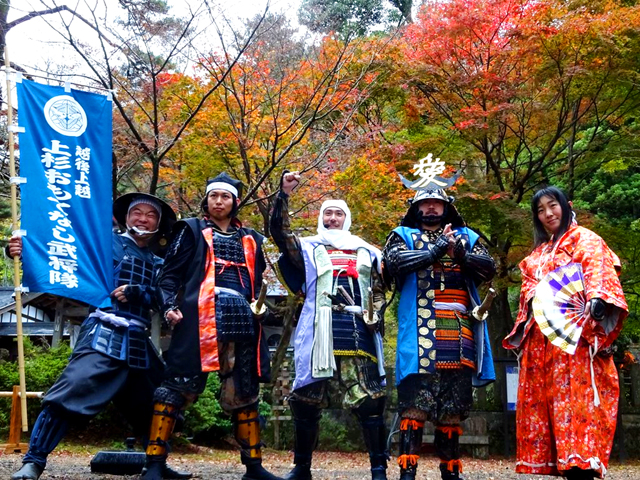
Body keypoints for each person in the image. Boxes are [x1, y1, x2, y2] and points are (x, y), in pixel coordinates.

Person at [11, 193, 188, 480]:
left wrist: (143, 294)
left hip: (138, 338)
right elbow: (61, 254)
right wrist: (25, 249)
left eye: (150, 215)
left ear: (158, 223)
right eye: (137, 212)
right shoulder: (103, 245)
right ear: (126, 217)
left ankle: (156, 464)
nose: (143, 219)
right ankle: (33, 461)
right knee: (69, 392)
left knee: (159, 401)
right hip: (103, 330)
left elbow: (166, 296)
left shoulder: (161, 263)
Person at [141, 173, 281, 480]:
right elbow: (168, 276)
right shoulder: (190, 230)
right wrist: (169, 306)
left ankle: (254, 467)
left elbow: (268, 276)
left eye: (225, 196)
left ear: (235, 202)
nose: (219, 201)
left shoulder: (252, 238)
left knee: (245, 391)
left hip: (242, 317)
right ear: (207, 200)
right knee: (176, 386)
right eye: (214, 196)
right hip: (199, 315)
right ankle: (154, 463)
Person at [503, 186, 628, 480]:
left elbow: (599, 273)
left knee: (579, 405)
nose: (548, 214)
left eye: (553, 205)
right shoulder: (537, 255)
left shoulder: (585, 239)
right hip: (543, 342)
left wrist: (596, 301)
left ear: (566, 205)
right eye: (541, 210)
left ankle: (580, 469)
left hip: (577, 340)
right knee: (548, 408)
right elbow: (529, 294)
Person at [270, 171, 388, 480]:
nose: (333, 218)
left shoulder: (369, 252)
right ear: (321, 218)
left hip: (357, 329)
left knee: (370, 399)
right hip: (317, 329)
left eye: (338, 214)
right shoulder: (307, 249)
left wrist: (376, 313)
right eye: (328, 213)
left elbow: (378, 290)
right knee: (306, 398)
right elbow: (280, 233)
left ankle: (378, 469)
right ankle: (301, 468)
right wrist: (284, 195)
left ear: (347, 219)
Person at [382, 170, 496, 480]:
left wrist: (460, 254)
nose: (431, 207)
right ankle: (407, 473)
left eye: (437, 202)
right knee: (414, 406)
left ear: (447, 206)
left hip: (459, 332)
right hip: (418, 334)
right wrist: (434, 251)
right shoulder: (401, 235)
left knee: (452, 408)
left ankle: (451, 473)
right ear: (415, 206)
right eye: (425, 202)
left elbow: (489, 268)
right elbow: (394, 263)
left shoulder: (467, 236)